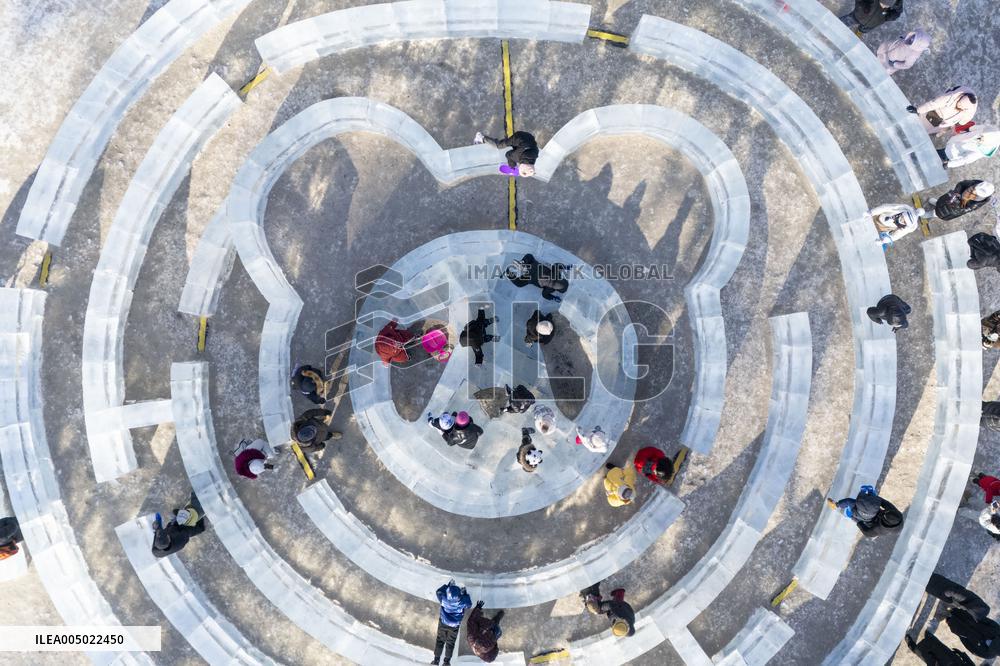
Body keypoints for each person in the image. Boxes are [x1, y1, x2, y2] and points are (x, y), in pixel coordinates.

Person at [826, 484, 904, 537]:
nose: (885, 511)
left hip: (867, 519)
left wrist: (857, 521)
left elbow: (867, 533)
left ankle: (836, 505)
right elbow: (885, 503)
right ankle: (870, 498)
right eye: (886, 511)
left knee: (849, 502)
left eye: (884, 514)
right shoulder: (896, 514)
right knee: (870, 505)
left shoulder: (880, 529)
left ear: (886, 522)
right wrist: (875, 499)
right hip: (874, 513)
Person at [151, 492, 206, 558]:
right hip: (185, 530)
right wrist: (181, 516)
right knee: (195, 522)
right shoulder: (180, 541)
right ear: (169, 539)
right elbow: (185, 529)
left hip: (172, 530)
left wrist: (158, 526)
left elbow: (158, 534)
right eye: (166, 534)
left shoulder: (155, 551)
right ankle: (200, 518)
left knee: (173, 524)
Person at [432, 580, 471, 666]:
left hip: (444, 621)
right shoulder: (461, 601)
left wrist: (447, 586)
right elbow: (469, 605)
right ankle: (446, 661)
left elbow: (438, 592)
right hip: (454, 624)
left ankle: (437, 660)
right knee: (450, 642)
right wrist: (465, 594)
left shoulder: (444, 598)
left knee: (440, 640)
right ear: (459, 595)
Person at [910, 87, 978, 135]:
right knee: (919, 124)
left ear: (964, 109)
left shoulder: (969, 112)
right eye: (959, 102)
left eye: (960, 106)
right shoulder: (951, 97)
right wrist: (918, 110)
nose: (958, 105)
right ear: (960, 98)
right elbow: (934, 103)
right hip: (935, 112)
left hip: (944, 122)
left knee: (925, 132)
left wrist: (958, 124)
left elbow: (965, 120)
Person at [925, 574, 990, 622]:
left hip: (937, 587)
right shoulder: (966, 598)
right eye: (972, 614)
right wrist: (948, 600)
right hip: (935, 584)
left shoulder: (970, 602)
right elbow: (950, 591)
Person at [926, 180, 994, 221]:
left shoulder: (978, 202)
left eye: (973, 194)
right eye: (972, 189)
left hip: (957, 206)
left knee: (944, 211)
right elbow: (962, 184)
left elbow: (967, 208)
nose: (970, 192)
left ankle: (934, 214)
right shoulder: (977, 183)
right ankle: (937, 203)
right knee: (942, 201)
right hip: (954, 196)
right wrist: (957, 191)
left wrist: (960, 204)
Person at [904, 631, 975, 665]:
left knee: (924, 655)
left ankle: (910, 643)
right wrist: (961, 654)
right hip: (953, 658)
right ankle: (929, 636)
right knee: (939, 646)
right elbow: (970, 662)